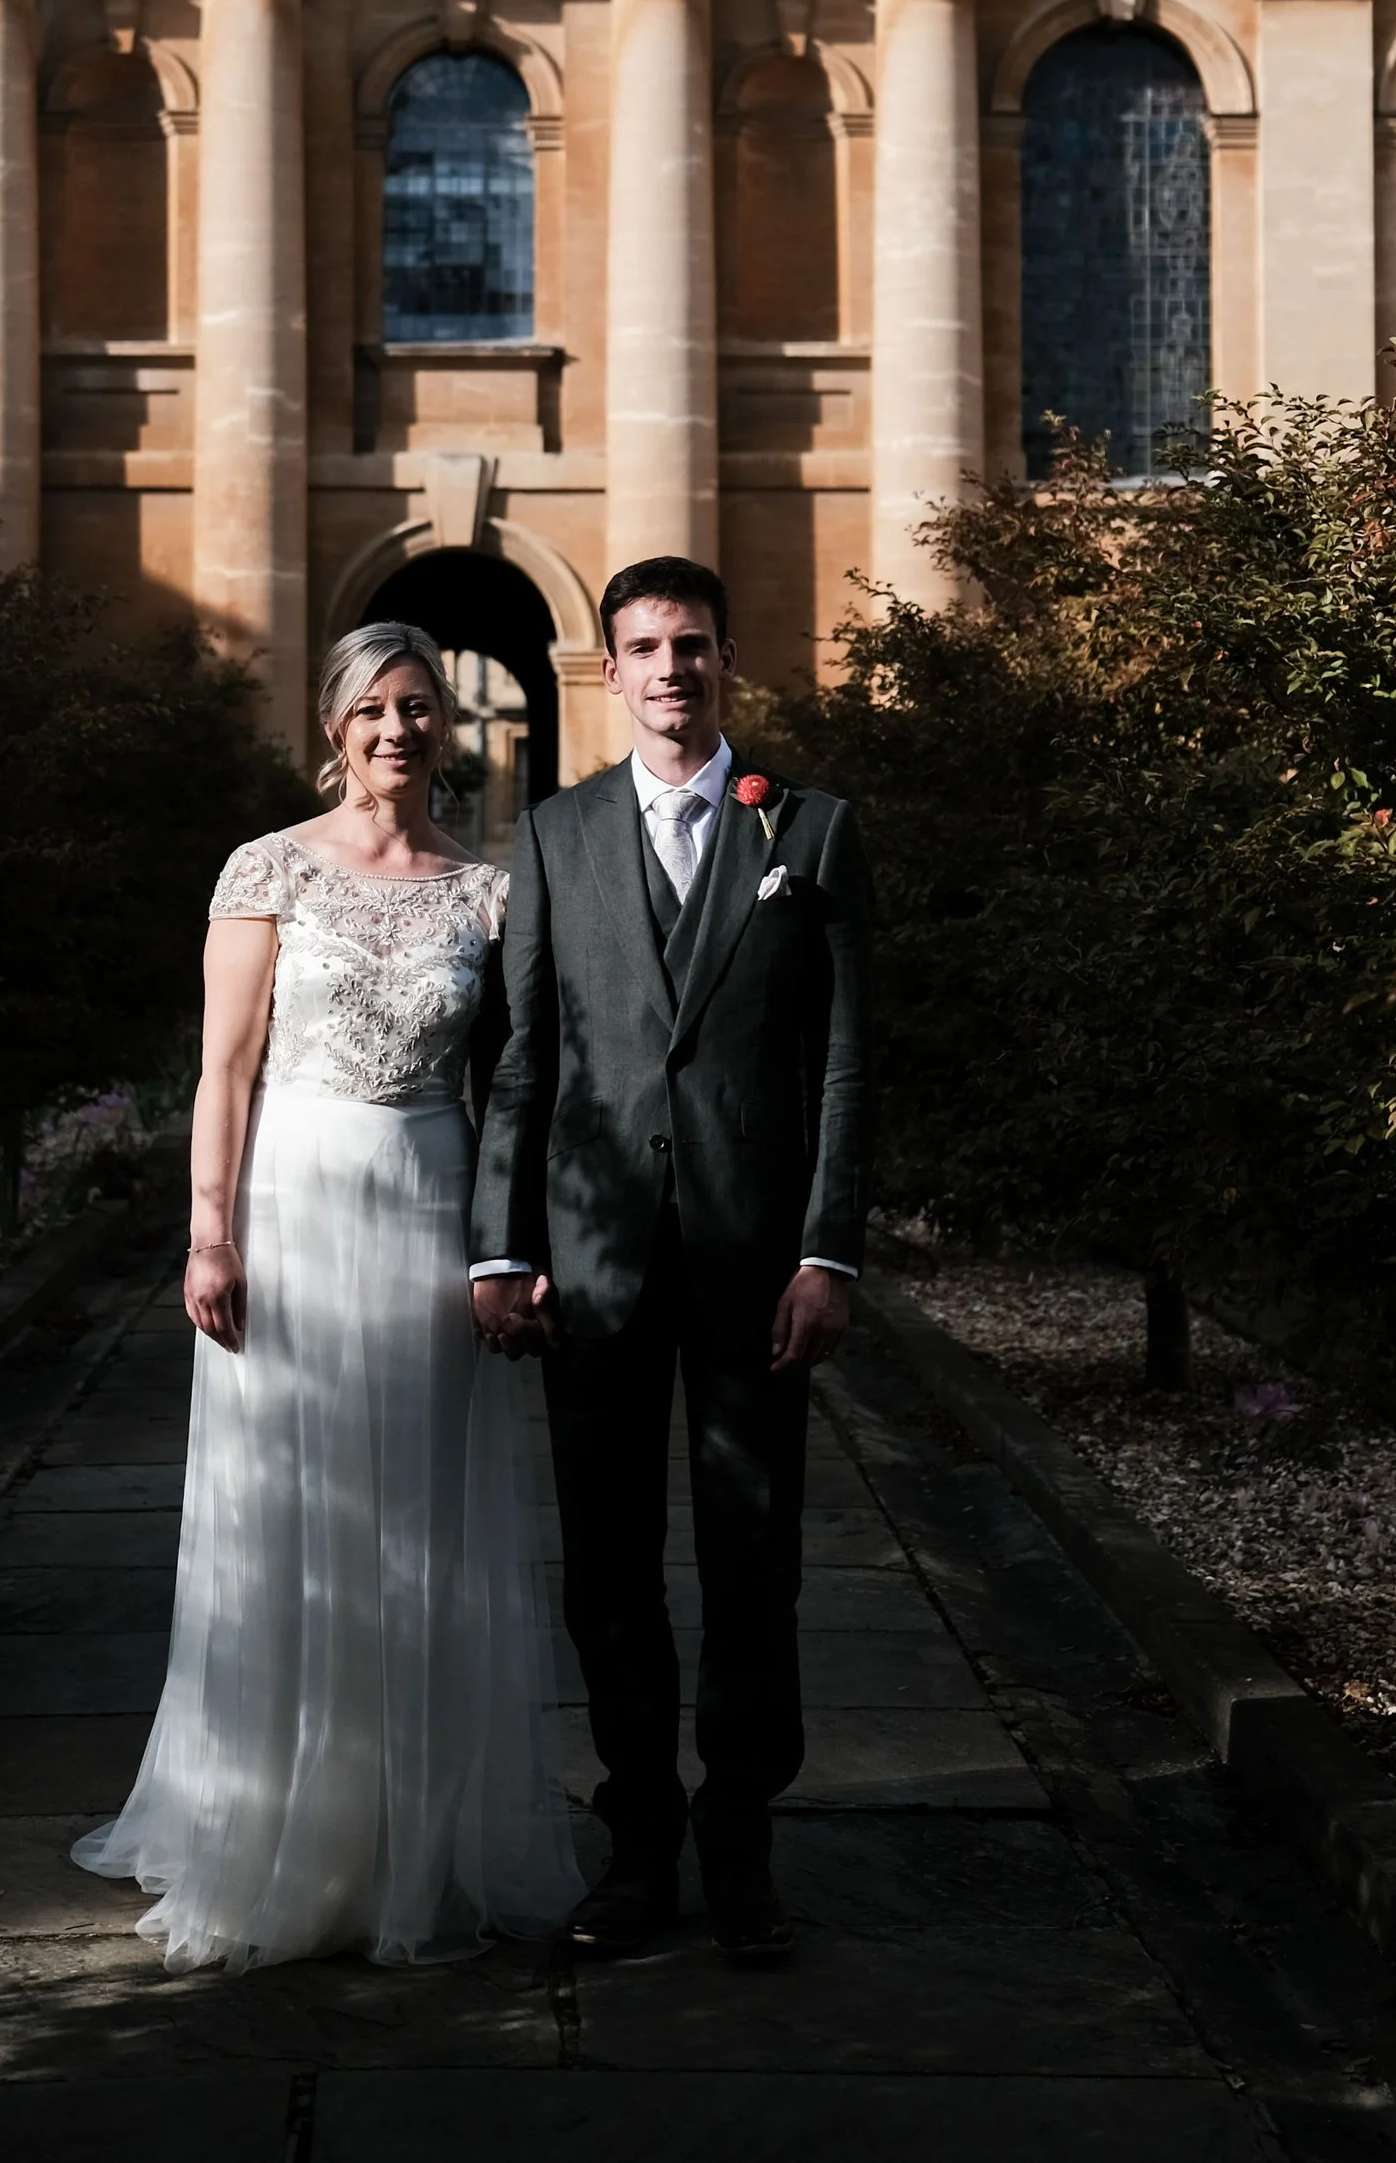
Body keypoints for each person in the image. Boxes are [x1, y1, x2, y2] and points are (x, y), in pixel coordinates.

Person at [73, 621, 581, 1973]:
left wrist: (505, 1247)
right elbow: (225, 1070)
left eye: (419, 706)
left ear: (445, 726)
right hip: (291, 1205)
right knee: (285, 1510)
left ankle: (404, 1837)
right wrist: (207, 1235)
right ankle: (265, 1826)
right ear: (333, 720)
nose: (399, 728)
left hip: (426, 1202)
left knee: (419, 1523)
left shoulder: (489, 889)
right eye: (373, 707)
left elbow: (513, 1092)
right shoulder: (266, 869)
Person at [469, 556, 873, 1964]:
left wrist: (831, 1249)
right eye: (640, 646)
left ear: (727, 656)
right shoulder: (558, 833)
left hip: (762, 1269)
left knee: (754, 1561)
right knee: (609, 1567)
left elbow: (843, 1062)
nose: (668, 669)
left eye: (690, 644)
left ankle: (744, 1845)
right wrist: (501, 1245)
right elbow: (525, 1057)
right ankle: (636, 1839)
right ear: (610, 664)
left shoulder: (808, 831)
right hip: (592, 1265)